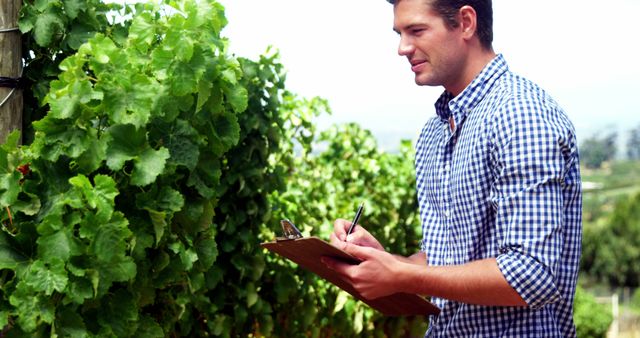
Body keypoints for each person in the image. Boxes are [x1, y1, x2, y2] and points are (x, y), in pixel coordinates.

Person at [322, 0, 582, 336]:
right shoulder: (435, 132)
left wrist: (404, 276)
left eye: (416, 30)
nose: (402, 48)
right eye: (399, 33)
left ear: (466, 23)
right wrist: (386, 261)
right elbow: (448, 260)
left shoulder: (521, 115)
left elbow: (530, 274)